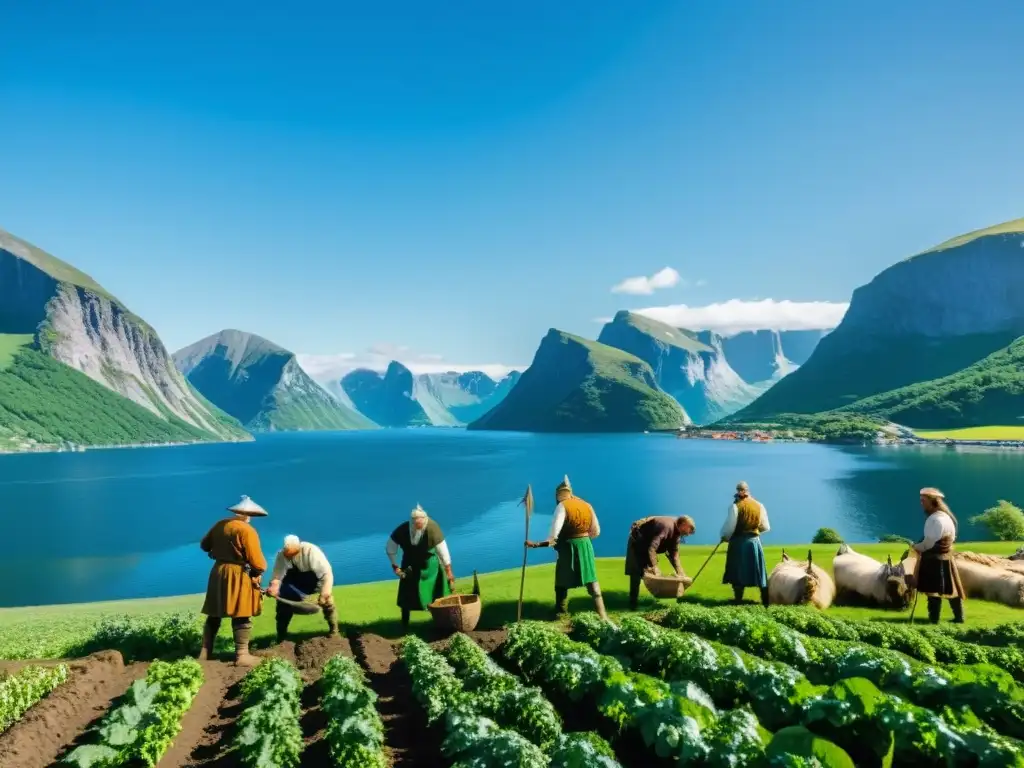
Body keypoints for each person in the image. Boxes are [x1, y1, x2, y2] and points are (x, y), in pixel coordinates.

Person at [197, 495, 268, 666]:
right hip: (238, 574)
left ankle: (205, 652)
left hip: (218, 572)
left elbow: (204, 545)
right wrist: (257, 572)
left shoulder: (220, 524)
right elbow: (258, 562)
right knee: (242, 612)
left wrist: (217, 551)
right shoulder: (247, 530)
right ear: (249, 514)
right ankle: (242, 655)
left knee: (214, 613)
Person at [526, 475, 608, 621]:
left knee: (561, 582)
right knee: (593, 584)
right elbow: (596, 532)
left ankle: (560, 613)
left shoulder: (562, 507)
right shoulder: (587, 505)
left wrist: (535, 544)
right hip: (586, 546)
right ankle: (603, 616)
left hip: (568, 548)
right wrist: (582, 538)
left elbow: (553, 537)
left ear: (558, 495)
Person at [386, 504, 456, 629]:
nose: (418, 527)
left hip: (430, 568)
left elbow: (443, 551)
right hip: (409, 568)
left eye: (420, 525)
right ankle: (404, 624)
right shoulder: (402, 530)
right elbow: (390, 548)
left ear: (425, 521)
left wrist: (448, 570)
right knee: (407, 597)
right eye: (415, 525)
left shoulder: (433, 528)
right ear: (412, 523)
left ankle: (441, 622)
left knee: (436, 595)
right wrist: (395, 566)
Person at [266, 535, 338, 642]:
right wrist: (273, 588)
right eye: (288, 555)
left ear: (298, 548)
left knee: (327, 601)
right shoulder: (281, 556)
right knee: (282, 605)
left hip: (314, 581)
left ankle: (334, 630)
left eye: (293, 554)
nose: (290, 558)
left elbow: (326, 574)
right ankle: (281, 637)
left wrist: (325, 593)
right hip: (294, 583)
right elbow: (277, 577)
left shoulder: (311, 551)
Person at [911, 487, 965, 624]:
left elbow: (928, 543)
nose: (921, 504)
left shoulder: (934, 520)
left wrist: (915, 547)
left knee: (932, 591)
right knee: (951, 588)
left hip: (933, 559)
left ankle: (934, 619)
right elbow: (951, 539)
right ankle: (959, 617)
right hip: (947, 557)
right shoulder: (948, 518)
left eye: (923, 501)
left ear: (932, 502)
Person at [624, 515, 696, 610]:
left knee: (649, 572)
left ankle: (652, 602)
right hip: (637, 541)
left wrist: (681, 573)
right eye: (685, 532)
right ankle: (633, 605)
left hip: (647, 544)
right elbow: (652, 548)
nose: (685, 535)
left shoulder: (676, 533)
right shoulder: (666, 527)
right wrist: (655, 567)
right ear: (683, 524)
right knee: (636, 573)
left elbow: (674, 554)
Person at [720, 481, 770, 606]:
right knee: (759, 572)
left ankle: (738, 600)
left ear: (738, 491)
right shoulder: (759, 505)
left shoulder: (735, 506)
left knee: (737, 571)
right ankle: (765, 602)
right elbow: (765, 526)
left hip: (738, 542)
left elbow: (730, 526)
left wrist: (725, 537)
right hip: (754, 542)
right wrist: (754, 531)